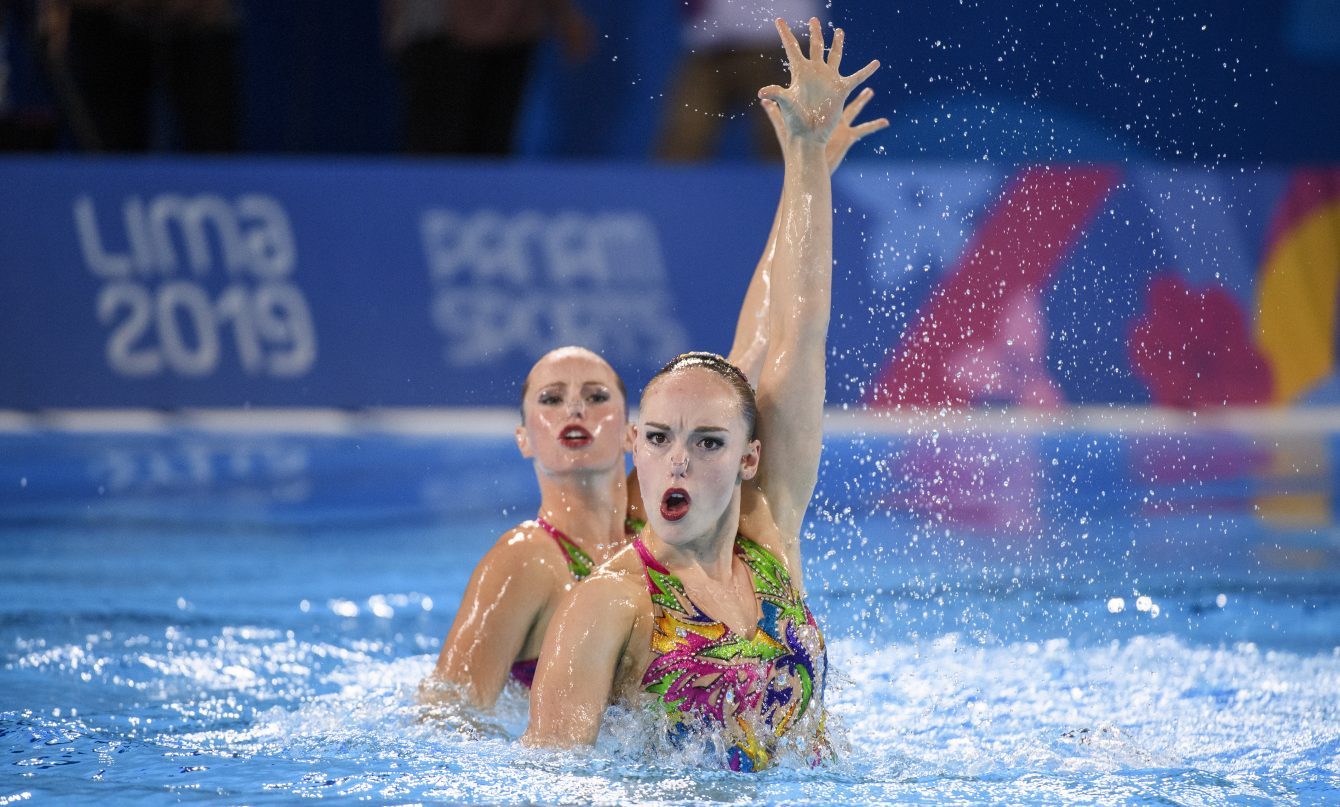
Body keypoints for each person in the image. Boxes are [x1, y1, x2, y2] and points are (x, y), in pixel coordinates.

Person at [422, 24, 885, 713]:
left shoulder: (705, 512)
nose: (575, 411)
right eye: (551, 399)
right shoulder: (552, 569)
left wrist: (805, 171)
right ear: (523, 435)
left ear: (629, 429)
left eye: (595, 395)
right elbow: (451, 720)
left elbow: (770, 335)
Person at [381, 0, 593, 155]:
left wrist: (563, 14)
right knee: (439, 146)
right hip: (438, 31)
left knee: (493, 146)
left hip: (514, 28)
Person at [656, 0, 822, 162]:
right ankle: (667, 190)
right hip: (710, 47)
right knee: (682, 141)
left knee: (785, 143)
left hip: (775, 43)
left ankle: (799, 188)